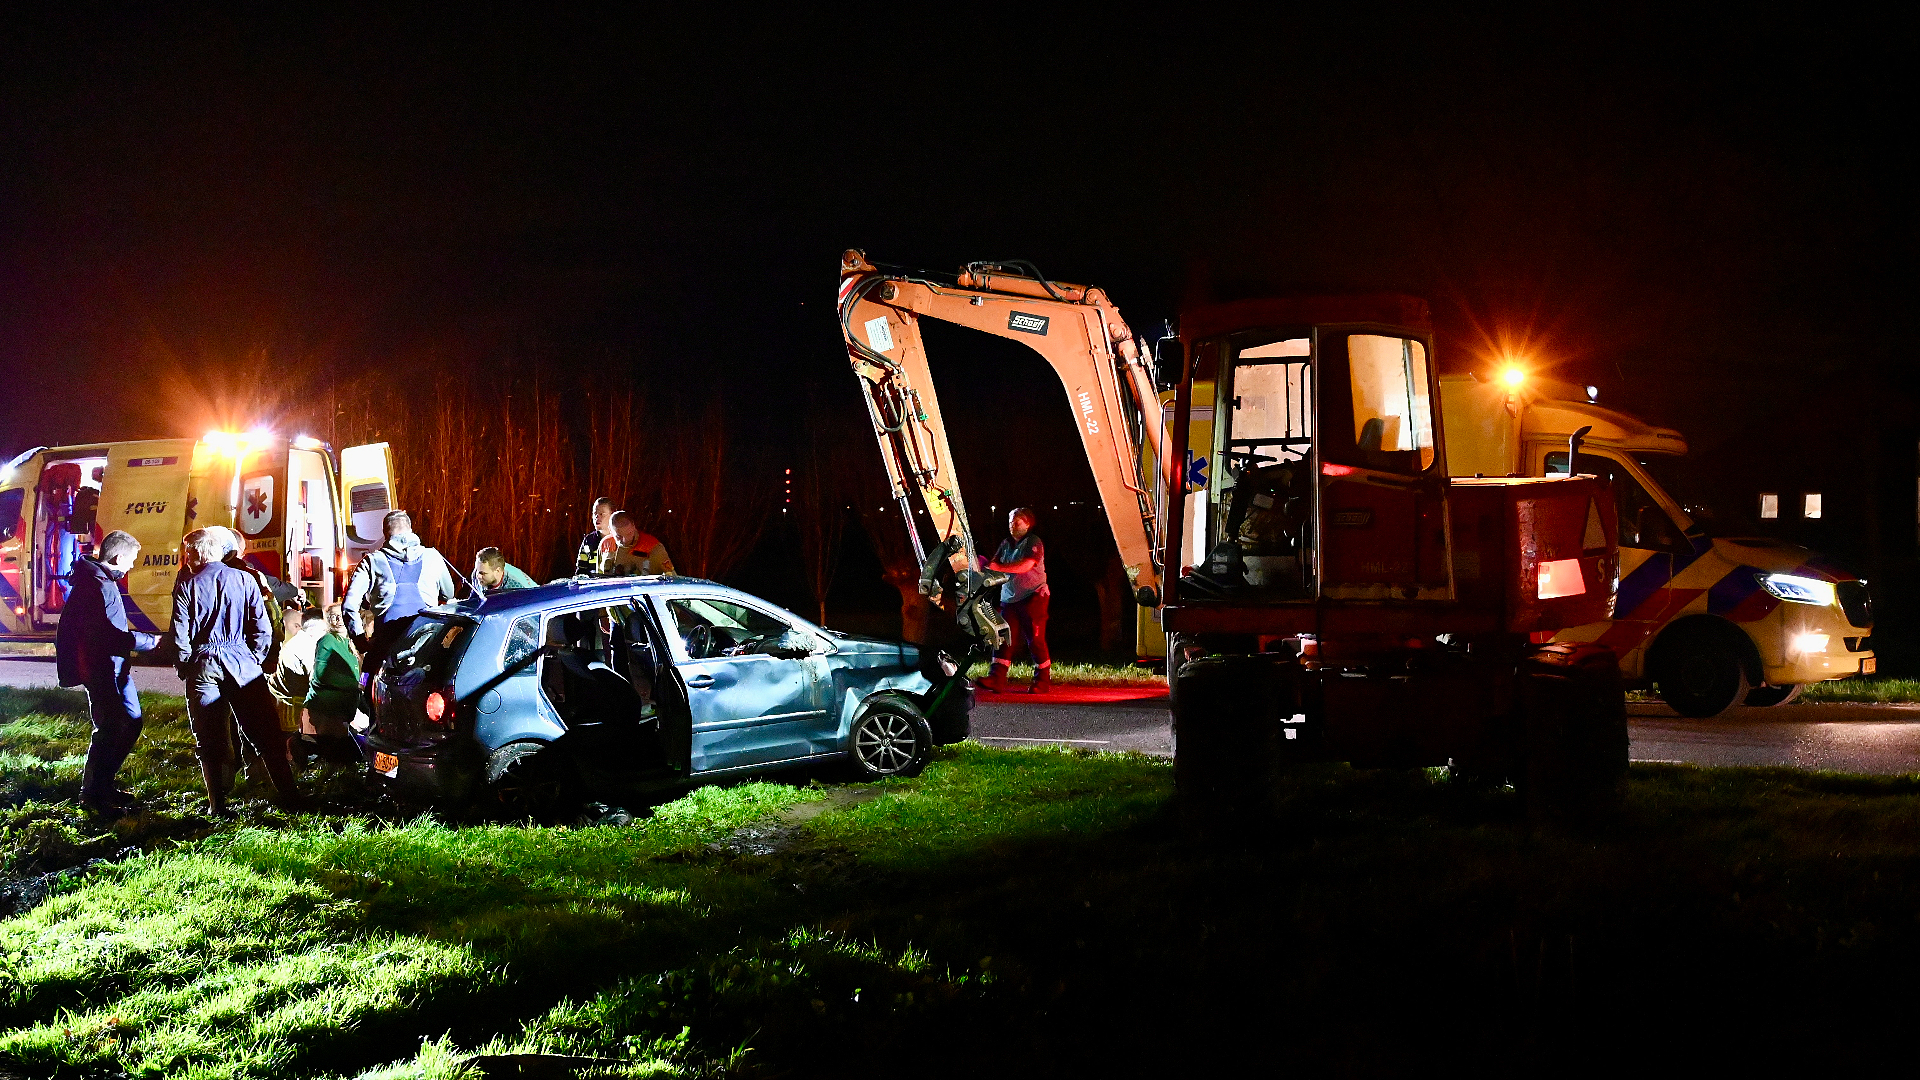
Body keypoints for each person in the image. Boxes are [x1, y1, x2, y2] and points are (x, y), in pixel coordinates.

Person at [172, 528, 302, 813]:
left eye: (188, 552)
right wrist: (253, 658)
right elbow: (262, 627)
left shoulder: (186, 583)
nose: (186, 557)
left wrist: (185, 665)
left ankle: (217, 805)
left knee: (210, 737)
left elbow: (180, 631)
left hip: (204, 664)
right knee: (266, 733)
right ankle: (290, 796)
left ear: (199, 554)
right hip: (242, 664)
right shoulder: (245, 579)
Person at [55, 529, 159, 816]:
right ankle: (93, 795)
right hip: (102, 669)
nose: (133, 566)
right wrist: (149, 642)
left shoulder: (100, 582)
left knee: (130, 722)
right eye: (132, 560)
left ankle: (103, 785)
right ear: (117, 557)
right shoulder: (97, 586)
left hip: (114, 667)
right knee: (110, 728)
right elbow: (103, 636)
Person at [342, 511, 457, 675]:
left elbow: (349, 606)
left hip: (386, 645)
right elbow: (449, 593)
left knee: (368, 685)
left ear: (385, 534)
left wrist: (360, 640)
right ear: (410, 529)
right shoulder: (433, 556)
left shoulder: (372, 561)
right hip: (427, 643)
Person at [981, 508, 1050, 694]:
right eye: (1010, 521)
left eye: (1017, 521)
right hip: (1010, 598)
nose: (1012, 525)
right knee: (1002, 637)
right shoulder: (1006, 543)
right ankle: (996, 678)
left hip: (1034, 595)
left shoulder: (1033, 542)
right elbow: (993, 566)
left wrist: (998, 567)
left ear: (1028, 524)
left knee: (1035, 639)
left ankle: (1042, 680)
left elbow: (1026, 565)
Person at [306, 604, 362, 762]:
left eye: (340, 616)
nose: (337, 620)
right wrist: (355, 684)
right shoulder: (328, 641)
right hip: (326, 711)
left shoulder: (349, 642)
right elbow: (321, 674)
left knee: (339, 758)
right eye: (332, 616)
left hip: (340, 712)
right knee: (335, 758)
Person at [599, 512, 676, 577]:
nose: (625, 540)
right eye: (619, 536)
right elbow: (598, 577)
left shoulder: (652, 547)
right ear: (610, 530)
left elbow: (672, 577)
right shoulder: (605, 544)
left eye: (629, 533)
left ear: (633, 526)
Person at [472, 546, 537, 598]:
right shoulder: (477, 573)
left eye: (483, 573)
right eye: (477, 570)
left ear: (497, 571)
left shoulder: (518, 587)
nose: (478, 576)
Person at [576, 497, 615, 576]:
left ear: (612, 515)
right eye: (595, 514)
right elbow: (581, 570)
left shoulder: (620, 539)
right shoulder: (589, 540)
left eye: (602, 514)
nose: (597, 517)